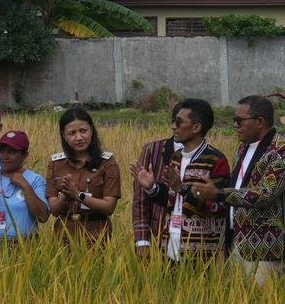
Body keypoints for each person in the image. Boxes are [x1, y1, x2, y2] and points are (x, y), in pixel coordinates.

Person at [191, 95, 285, 284]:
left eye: (239, 120)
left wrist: (219, 193)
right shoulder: (243, 148)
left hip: (262, 249)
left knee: (259, 302)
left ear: (259, 122)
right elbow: (238, 187)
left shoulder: (280, 150)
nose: (235, 125)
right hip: (235, 241)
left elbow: (265, 194)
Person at [130, 98, 229, 262]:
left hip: (201, 253)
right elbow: (171, 199)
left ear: (196, 127)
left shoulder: (215, 160)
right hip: (169, 246)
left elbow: (220, 206)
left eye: (179, 122)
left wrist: (182, 188)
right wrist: (152, 188)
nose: (173, 127)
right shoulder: (176, 157)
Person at [45, 107, 121, 246]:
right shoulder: (56, 163)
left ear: (91, 130)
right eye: (72, 133)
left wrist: (78, 195)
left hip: (97, 235)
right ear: (64, 136)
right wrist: (64, 196)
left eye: (83, 131)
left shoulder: (107, 163)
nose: (79, 137)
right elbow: (54, 211)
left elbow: (109, 207)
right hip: (63, 235)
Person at [0, 130, 48, 243]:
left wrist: (25, 186)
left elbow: (42, 217)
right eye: (2, 151)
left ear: (24, 156)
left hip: (26, 246)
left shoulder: (35, 180)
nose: (5, 156)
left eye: (11, 152)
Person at [130, 129, 177, 258]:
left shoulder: (210, 157)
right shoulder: (154, 149)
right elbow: (140, 199)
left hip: (194, 244)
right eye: (174, 121)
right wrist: (142, 240)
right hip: (158, 236)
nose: (174, 126)